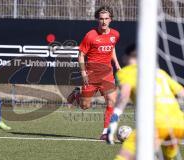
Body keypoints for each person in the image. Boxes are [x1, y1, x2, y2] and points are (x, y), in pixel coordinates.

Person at [108, 45, 184, 160]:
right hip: (179, 124)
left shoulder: (128, 72)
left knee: (124, 157)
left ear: (127, 57)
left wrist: (114, 121)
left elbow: (124, 96)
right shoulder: (160, 72)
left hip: (156, 123)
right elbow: (182, 93)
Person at [67, 6, 121, 140]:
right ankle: (77, 94)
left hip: (107, 75)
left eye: (106, 19)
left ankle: (105, 133)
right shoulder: (90, 35)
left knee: (111, 101)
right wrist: (84, 73)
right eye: (101, 19)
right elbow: (80, 55)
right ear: (98, 19)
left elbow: (112, 48)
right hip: (91, 76)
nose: (104, 22)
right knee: (85, 106)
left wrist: (117, 64)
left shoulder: (115, 34)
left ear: (111, 20)